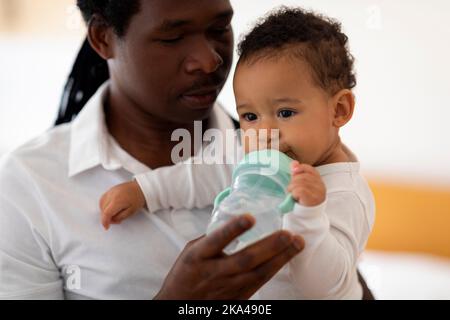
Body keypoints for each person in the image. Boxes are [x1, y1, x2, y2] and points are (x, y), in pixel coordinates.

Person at [0, 0, 304, 300]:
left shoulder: (290, 157)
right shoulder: (30, 182)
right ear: (103, 38)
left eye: (219, 28)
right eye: (173, 38)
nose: (209, 61)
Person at [99, 7, 376, 299]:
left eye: (285, 112)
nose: (264, 132)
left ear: (339, 110)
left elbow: (327, 289)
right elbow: (201, 174)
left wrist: (308, 214)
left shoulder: (345, 194)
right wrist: (145, 190)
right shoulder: (254, 152)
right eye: (250, 116)